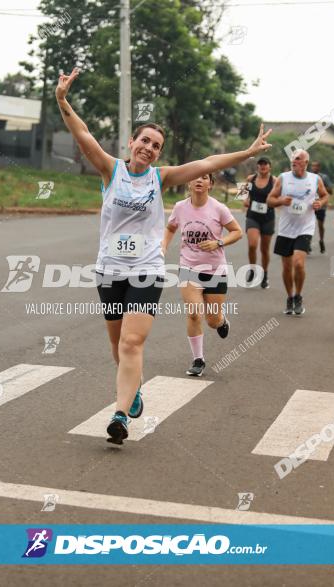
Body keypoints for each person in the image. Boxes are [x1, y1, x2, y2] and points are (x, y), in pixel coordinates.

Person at [55, 67, 272, 445]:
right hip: (109, 270)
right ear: (131, 143)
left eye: (156, 146)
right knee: (117, 343)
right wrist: (62, 100)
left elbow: (206, 163)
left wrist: (248, 153)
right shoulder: (111, 170)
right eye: (145, 141)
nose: (149, 148)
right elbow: (83, 135)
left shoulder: (161, 178)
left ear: (159, 154)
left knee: (132, 343)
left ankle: (120, 415)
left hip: (146, 271)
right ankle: (133, 391)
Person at [163, 174, 242, 376]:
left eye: (204, 177)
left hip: (215, 271)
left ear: (210, 184)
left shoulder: (218, 208)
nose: (199, 180)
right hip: (189, 269)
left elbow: (237, 231)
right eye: (195, 177)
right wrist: (163, 246)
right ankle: (198, 359)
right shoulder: (180, 207)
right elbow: (171, 227)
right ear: (189, 182)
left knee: (212, 320)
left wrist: (219, 242)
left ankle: (222, 321)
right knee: (194, 313)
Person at [266, 149, 330, 315]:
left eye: (298, 158)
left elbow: (324, 196)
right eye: (293, 158)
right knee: (287, 267)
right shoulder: (283, 178)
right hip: (286, 229)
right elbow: (270, 200)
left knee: (298, 263)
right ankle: (290, 297)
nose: (294, 160)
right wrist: (280, 200)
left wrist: (320, 203)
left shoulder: (315, 179)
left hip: (305, 227)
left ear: (306, 163)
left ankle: (299, 295)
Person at [242, 157, 276, 288]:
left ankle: (265, 274)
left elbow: (279, 195)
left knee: (265, 249)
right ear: (257, 167)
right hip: (253, 217)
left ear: (269, 167)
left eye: (265, 164)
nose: (263, 166)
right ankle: (252, 269)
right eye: (260, 164)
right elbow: (243, 194)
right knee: (252, 245)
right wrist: (245, 200)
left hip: (268, 218)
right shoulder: (251, 179)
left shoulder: (275, 181)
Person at [310, 160, 333, 254]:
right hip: (310, 204)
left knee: (320, 224)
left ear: (319, 168)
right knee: (309, 224)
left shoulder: (324, 177)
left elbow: (331, 191)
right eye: (313, 166)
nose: (314, 168)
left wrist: (320, 186)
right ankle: (307, 243)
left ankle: (321, 240)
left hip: (321, 204)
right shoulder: (308, 176)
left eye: (316, 166)